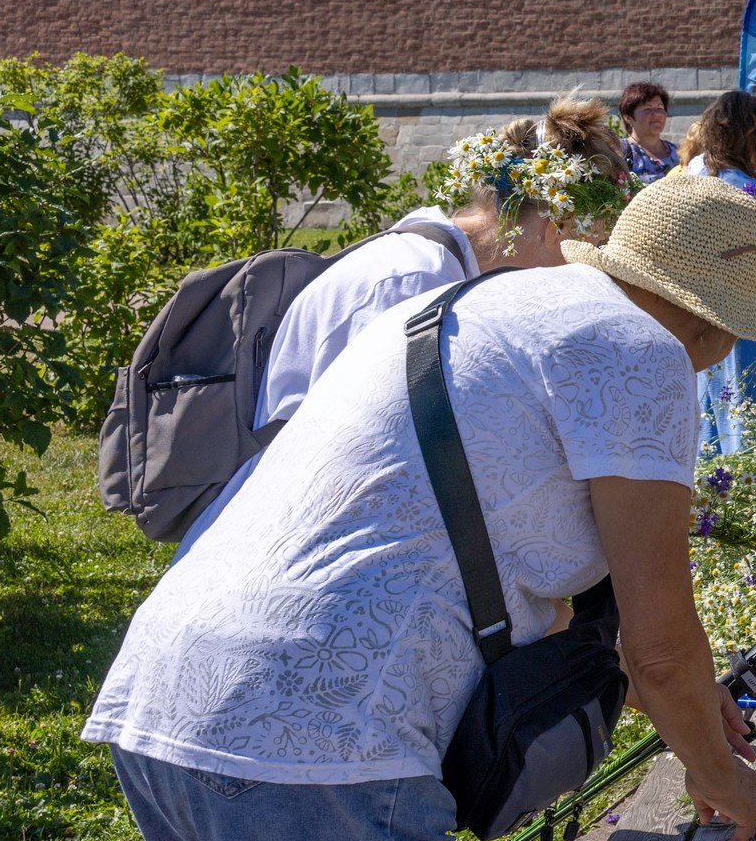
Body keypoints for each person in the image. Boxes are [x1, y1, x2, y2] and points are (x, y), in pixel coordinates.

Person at [82, 176, 756, 841]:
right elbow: (659, 647)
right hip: (321, 737)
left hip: (167, 692)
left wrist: (681, 699)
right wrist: (723, 778)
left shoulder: (471, 306)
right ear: (714, 325)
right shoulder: (643, 353)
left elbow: (533, 569)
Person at [176, 101, 632, 555]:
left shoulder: (437, 262)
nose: (577, 271)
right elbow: (371, 457)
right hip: (279, 544)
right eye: (586, 246)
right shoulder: (414, 282)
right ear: (557, 224)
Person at [684, 91, 756, 450]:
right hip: (750, 316)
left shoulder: (699, 177)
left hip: (707, 312)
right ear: (752, 133)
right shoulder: (750, 188)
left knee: (715, 404)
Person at [619, 80, 680, 181]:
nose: (657, 114)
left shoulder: (680, 152)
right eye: (648, 109)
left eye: (660, 108)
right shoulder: (620, 153)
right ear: (628, 117)